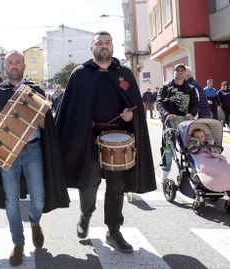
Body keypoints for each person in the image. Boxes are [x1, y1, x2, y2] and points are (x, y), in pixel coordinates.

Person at [55, 31, 156, 253]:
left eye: (108, 42)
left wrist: (131, 117)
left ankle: (113, 230)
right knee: (89, 183)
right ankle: (86, 214)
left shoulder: (125, 73)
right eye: (99, 43)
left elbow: (134, 106)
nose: (104, 46)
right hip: (88, 139)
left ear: (112, 47)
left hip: (118, 139)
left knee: (117, 186)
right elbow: (69, 109)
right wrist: (83, 122)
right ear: (92, 47)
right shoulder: (79, 74)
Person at [0, 51, 70, 266]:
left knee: (39, 198)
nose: (14, 65)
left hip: (33, 150)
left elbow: (48, 125)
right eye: (10, 62)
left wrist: (40, 118)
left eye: (18, 62)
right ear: (5, 67)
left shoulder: (35, 91)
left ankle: (35, 222)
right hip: (6, 152)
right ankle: (18, 243)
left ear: (24, 66)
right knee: (11, 200)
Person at [157, 63, 199, 181]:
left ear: (185, 73)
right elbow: (159, 103)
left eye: (182, 70)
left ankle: (190, 170)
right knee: (168, 148)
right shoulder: (165, 87)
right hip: (170, 121)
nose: (180, 72)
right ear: (174, 72)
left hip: (185, 122)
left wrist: (191, 113)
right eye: (177, 70)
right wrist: (166, 114)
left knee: (188, 147)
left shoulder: (190, 89)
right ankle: (165, 171)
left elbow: (195, 104)